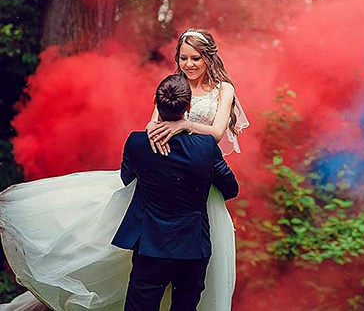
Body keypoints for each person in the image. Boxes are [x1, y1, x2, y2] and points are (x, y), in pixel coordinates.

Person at [0, 29, 248, 311]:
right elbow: (152, 126)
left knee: (196, 264)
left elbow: (216, 132)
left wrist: (185, 125)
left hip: (198, 179)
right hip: (171, 171)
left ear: (208, 58)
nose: (189, 65)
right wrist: (163, 146)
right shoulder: (173, 85)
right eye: (183, 58)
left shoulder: (223, 89)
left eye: (196, 58)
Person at [114, 73, 238, 311]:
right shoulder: (206, 147)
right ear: (189, 107)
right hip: (192, 246)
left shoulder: (137, 143)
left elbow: (126, 179)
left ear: (155, 103)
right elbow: (231, 189)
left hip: (150, 243)